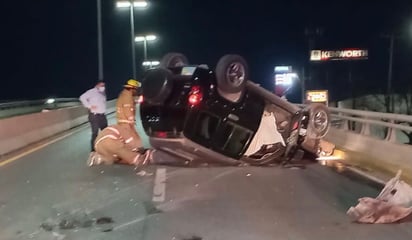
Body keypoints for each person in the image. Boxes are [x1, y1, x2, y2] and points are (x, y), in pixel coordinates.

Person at [87, 124, 155, 167]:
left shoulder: (120, 129)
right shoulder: (128, 135)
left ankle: (97, 157)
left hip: (98, 144)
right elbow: (131, 146)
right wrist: (137, 151)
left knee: (111, 159)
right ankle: (138, 159)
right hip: (109, 141)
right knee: (124, 153)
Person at [79, 81, 108, 156]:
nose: (103, 87)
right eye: (101, 85)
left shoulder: (102, 93)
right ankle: (93, 151)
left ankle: (105, 148)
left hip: (102, 116)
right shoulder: (91, 92)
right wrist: (89, 106)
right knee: (95, 133)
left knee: (105, 132)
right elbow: (82, 97)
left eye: (104, 85)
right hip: (94, 116)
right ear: (97, 85)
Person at [116, 79, 142, 150]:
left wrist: (137, 101)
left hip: (124, 121)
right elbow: (127, 107)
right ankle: (133, 150)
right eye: (136, 89)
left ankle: (133, 149)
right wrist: (131, 119)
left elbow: (129, 103)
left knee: (128, 137)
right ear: (132, 88)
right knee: (130, 137)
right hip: (126, 122)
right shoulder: (127, 95)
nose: (136, 91)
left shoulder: (125, 94)